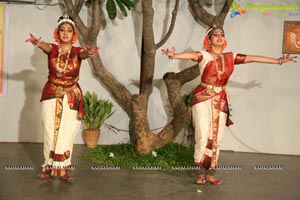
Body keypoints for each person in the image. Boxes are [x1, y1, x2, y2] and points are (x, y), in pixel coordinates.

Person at [162, 26, 297, 185]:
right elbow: (191, 55)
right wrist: (174, 55)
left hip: (220, 99)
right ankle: (200, 172)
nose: (219, 36)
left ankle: (211, 172)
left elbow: (253, 58)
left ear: (224, 39)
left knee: (217, 137)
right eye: (215, 35)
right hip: (203, 98)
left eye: (222, 34)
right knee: (202, 134)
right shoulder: (203, 55)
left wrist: (278, 61)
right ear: (209, 40)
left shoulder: (230, 57)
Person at [25, 14, 99, 181]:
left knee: (67, 130)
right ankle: (48, 167)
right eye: (62, 30)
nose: (65, 33)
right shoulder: (52, 49)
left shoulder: (77, 51)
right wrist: (37, 42)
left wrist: (90, 52)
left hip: (71, 95)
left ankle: (64, 169)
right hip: (51, 93)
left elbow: (84, 55)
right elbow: (45, 47)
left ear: (73, 34)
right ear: (57, 33)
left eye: (69, 30)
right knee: (49, 129)